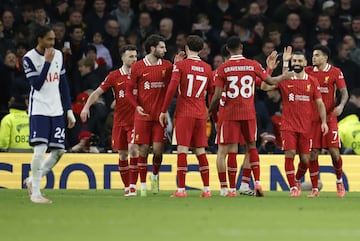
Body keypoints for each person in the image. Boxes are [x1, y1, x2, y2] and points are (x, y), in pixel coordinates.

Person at [208, 36, 288, 197]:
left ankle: (229, 188)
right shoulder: (252, 65)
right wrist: (276, 71)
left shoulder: (221, 70)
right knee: (250, 147)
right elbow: (268, 84)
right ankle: (252, 182)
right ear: (242, 48)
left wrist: (209, 112)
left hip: (228, 114)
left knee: (227, 150)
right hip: (248, 113)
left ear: (227, 50)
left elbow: (215, 96)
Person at [22, 25, 76, 204]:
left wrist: (68, 110)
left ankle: (31, 181)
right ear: (39, 39)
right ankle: (36, 193)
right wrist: (46, 62)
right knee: (39, 150)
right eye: (49, 39)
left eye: (54, 39)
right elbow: (36, 84)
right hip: (39, 109)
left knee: (59, 151)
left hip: (56, 110)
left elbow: (63, 84)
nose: (53, 42)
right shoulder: (29, 58)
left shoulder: (58, 55)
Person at [268, 46, 328, 197]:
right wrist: (270, 69)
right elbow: (264, 86)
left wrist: (324, 122)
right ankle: (293, 188)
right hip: (288, 126)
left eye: (300, 60)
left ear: (305, 62)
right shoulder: (285, 78)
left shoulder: (313, 81)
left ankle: (296, 179)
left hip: (306, 127)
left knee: (306, 161)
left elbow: (320, 103)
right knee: (290, 154)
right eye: (294, 60)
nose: (297, 62)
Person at [81, 44, 139, 196]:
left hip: (136, 121)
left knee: (133, 150)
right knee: (122, 155)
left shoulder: (140, 74)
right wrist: (86, 106)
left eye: (135, 56)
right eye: (131, 56)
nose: (134, 59)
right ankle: (127, 187)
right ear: (123, 58)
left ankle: (133, 186)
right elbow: (97, 92)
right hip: (119, 121)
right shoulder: (114, 75)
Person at [159, 35, 213, 198]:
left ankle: (181, 189)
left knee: (182, 150)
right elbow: (211, 93)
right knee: (200, 151)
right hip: (200, 113)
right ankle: (207, 190)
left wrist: (163, 110)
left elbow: (171, 89)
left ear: (187, 48)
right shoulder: (207, 68)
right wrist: (209, 112)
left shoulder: (181, 66)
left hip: (184, 113)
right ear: (201, 49)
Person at [297, 44, 349, 198]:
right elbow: (291, 76)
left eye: (317, 55)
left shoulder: (335, 72)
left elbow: (344, 92)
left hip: (330, 117)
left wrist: (341, 105)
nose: (314, 57)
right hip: (311, 120)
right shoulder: (307, 71)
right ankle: (314, 188)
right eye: (313, 55)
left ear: (325, 58)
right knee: (313, 154)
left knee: (334, 153)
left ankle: (339, 181)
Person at [126, 34, 173, 197]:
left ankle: (154, 175)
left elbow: (176, 80)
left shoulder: (167, 66)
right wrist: (136, 106)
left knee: (159, 151)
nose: (165, 50)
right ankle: (143, 185)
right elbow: (128, 91)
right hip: (143, 116)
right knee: (143, 150)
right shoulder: (138, 67)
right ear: (152, 48)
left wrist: (180, 63)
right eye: (162, 47)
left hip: (160, 116)